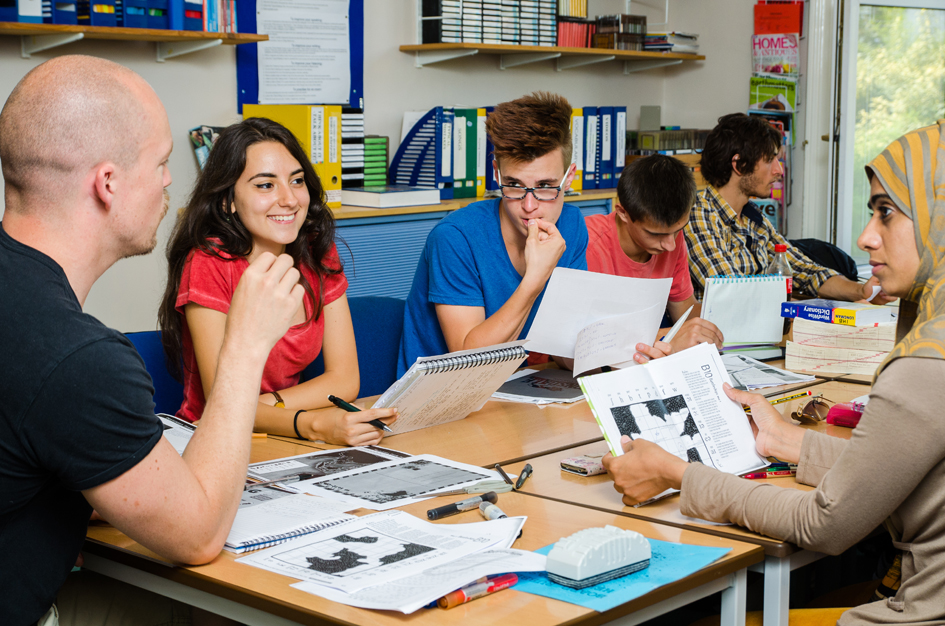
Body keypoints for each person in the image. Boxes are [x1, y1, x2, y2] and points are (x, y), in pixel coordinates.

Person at [0, 56, 305, 626]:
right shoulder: (76, 357)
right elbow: (199, 535)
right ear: (108, 183)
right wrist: (245, 345)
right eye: (161, 162)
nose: (169, 180)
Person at [603, 121, 945, 625]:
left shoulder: (924, 367)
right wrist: (788, 441)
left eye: (886, 213)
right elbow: (891, 473)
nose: (865, 235)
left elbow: (823, 522)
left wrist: (677, 473)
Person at [158, 118, 397, 446]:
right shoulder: (206, 263)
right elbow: (222, 402)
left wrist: (271, 405)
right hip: (212, 439)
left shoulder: (318, 252)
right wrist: (314, 425)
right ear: (228, 200)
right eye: (265, 185)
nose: (289, 199)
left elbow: (345, 379)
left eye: (296, 181)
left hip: (282, 435)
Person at [397, 91, 589, 375]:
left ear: (569, 178)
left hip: (511, 390)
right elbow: (469, 363)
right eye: (513, 184)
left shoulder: (571, 224)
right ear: (497, 173)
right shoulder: (454, 237)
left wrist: (620, 353)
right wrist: (534, 279)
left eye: (546, 186)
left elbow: (565, 350)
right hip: (439, 399)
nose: (529, 206)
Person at [685, 112, 891, 304]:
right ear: (739, 165)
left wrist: (860, 291)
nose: (779, 170)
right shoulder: (699, 214)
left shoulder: (752, 218)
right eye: (769, 160)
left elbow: (804, 270)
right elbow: (730, 292)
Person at [586, 154, 724, 353]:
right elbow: (589, 342)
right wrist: (668, 337)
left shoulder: (671, 239)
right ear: (623, 213)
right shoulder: (589, 245)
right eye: (655, 234)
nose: (669, 245)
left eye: (678, 230)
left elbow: (684, 311)